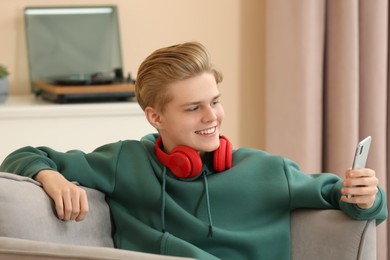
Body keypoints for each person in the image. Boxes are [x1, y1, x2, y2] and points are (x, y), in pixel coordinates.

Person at [0, 41, 387, 260]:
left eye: (215, 101)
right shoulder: (126, 162)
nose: (212, 116)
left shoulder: (269, 171)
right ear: (156, 117)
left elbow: (353, 202)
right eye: (193, 108)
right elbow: (23, 155)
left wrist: (366, 195)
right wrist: (48, 176)